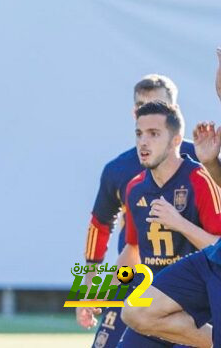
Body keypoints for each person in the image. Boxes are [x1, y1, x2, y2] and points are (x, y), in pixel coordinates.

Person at [77, 75, 197, 348]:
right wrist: (91, 287)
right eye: (143, 107)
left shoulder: (200, 162)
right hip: (134, 278)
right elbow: (100, 225)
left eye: (158, 106)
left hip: (187, 286)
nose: (150, 114)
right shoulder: (119, 170)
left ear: (174, 112)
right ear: (135, 113)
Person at [119, 49, 221, 347]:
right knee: (131, 312)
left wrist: (178, 222)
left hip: (197, 302)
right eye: (139, 133)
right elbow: (129, 251)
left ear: (176, 138)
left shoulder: (197, 179)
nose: (143, 141)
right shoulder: (131, 182)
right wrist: (92, 290)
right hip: (165, 294)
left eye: (153, 132)